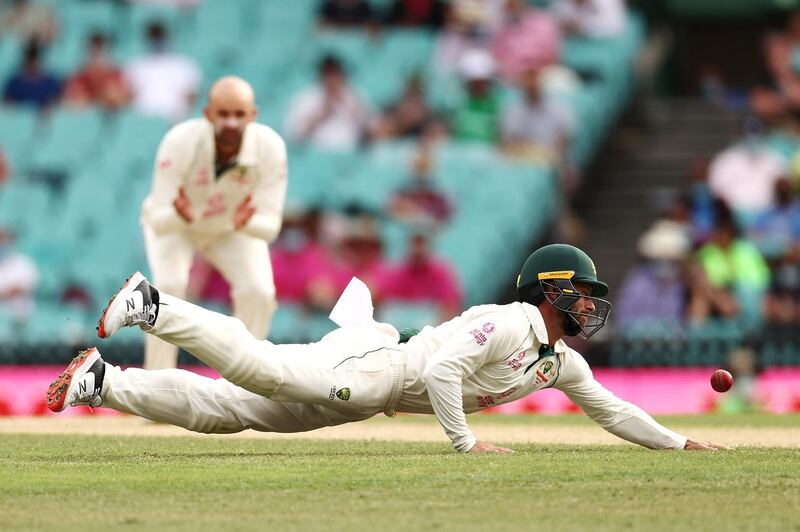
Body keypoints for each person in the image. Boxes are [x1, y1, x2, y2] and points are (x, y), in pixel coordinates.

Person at [48, 244, 725, 453]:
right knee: (261, 369)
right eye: (581, 292)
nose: (589, 305)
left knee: (229, 411)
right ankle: (154, 304)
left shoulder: (558, 360)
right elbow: (444, 369)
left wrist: (682, 446)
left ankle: (103, 383)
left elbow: (612, 412)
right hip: (376, 369)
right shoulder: (516, 321)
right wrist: (465, 444)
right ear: (548, 290)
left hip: (372, 393)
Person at [136, 76, 287, 370]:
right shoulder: (180, 141)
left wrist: (247, 223)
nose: (231, 123)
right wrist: (180, 216)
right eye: (223, 114)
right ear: (208, 114)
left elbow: (271, 227)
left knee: (258, 291)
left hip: (232, 229)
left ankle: (248, 385)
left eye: (239, 114)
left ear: (252, 115)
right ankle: (156, 387)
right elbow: (158, 218)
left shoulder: (269, 147)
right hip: (179, 227)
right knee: (167, 287)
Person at [284, 55, 372, 150]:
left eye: (335, 73)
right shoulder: (306, 98)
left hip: (350, 154)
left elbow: (373, 131)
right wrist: (321, 114)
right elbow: (293, 135)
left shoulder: (354, 96)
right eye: (328, 74)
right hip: (315, 154)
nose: (332, 79)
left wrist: (349, 107)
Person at [124, 21, 201, 121]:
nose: (157, 41)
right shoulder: (134, 66)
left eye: (160, 37)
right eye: (154, 37)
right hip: (142, 120)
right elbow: (127, 97)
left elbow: (192, 97)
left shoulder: (185, 65)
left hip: (175, 119)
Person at [62, 32, 130, 110]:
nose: (98, 55)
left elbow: (124, 99)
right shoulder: (79, 77)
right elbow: (69, 103)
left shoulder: (115, 75)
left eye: (101, 50)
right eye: (94, 50)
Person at [2, 40, 61, 110]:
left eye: (34, 61)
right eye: (29, 61)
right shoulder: (14, 83)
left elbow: (55, 104)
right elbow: (7, 104)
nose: (32, 65)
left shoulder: (50, 83)